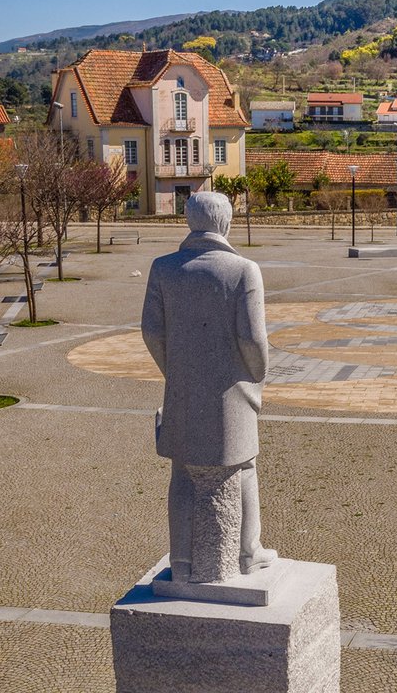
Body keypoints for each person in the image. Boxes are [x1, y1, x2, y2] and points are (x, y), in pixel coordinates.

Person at [141, 191, 276, 582]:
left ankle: (181, 561)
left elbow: (151, 330)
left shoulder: (163, 268)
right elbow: (253, 340)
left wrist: (177, 370)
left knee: (182, 474)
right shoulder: (243, 270)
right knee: (244, 466)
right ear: (226, 223)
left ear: (189, 221)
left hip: (182, 390)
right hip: (231, 392)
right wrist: (257, 376)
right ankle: (248, 552)